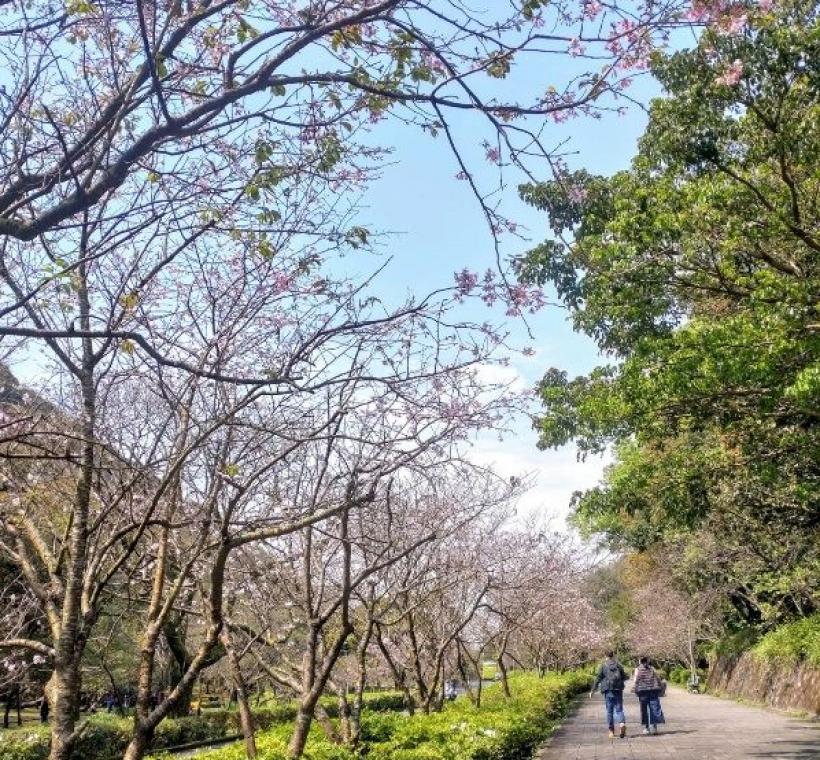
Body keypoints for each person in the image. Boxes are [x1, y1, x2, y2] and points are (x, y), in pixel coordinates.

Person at [591, 650, 627, 739]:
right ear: (613, 655)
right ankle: (622, 723)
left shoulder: (603, 665)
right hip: (618, 690)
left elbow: (598, 677)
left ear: (605, 656)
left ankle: (611, 731)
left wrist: (593, 690)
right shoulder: (618, 665)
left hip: (608, 690)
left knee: (609, 711)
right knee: (619, 709)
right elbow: (624, 676)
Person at [632, 656, 666, 735]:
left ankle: (646, 728)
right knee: (654, 709)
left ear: (640, 661)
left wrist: (635, 689)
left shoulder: (637, 669)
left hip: (643, 692)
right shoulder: (652, 668)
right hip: (653, 691)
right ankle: (654, 728)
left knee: (644, 710)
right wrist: (661, 687)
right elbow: (658, 678)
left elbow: (635, 681)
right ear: (647, 661)